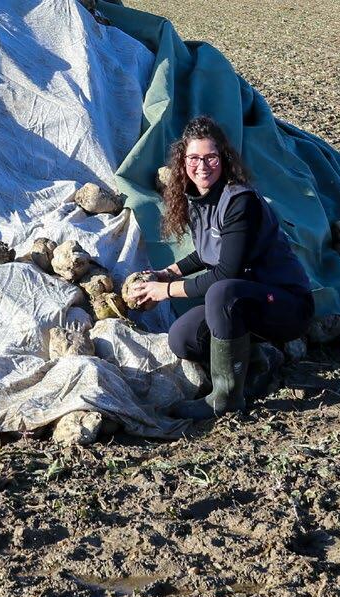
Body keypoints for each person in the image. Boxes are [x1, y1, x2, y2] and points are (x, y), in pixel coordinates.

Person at [128, 116, 314, 419]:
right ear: (183, 161)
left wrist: (165, 290)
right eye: (194, 158)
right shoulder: (198, 198)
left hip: (285, 303)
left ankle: (225, 398)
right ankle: (254, 364)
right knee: (183, 338)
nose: (202, 166)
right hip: (247, 300)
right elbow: (208, 252)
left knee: (222, 293)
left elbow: (227, 271)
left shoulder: (240, 201)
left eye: (210, 157)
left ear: (223, 157)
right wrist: (169, 273)